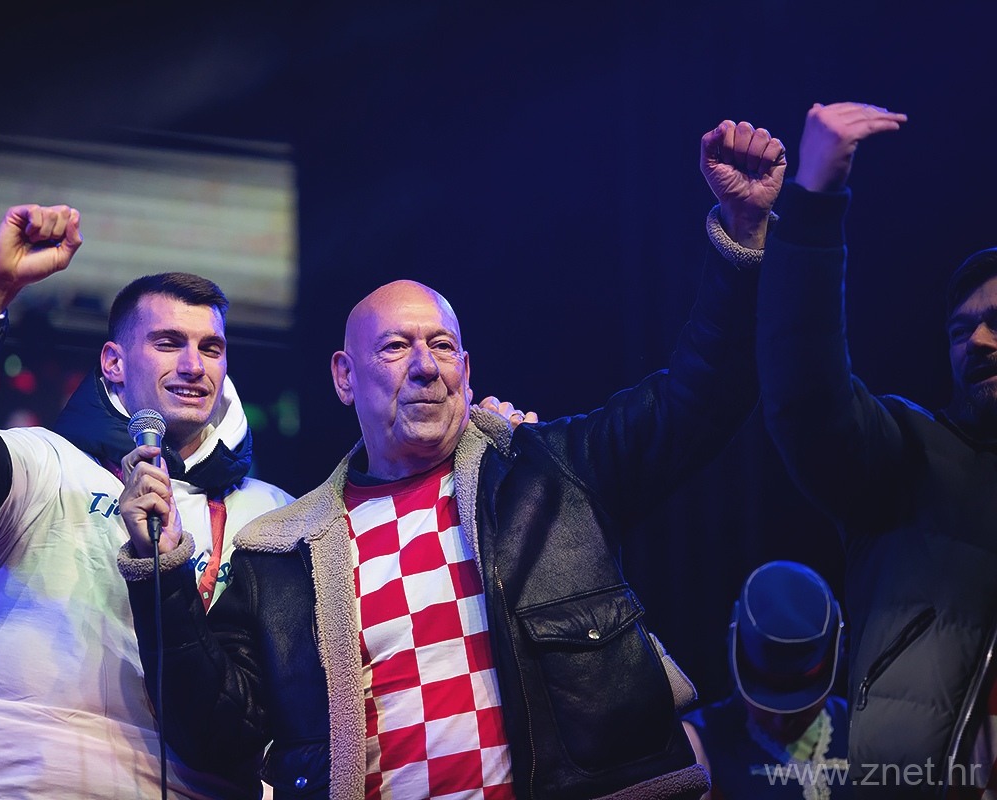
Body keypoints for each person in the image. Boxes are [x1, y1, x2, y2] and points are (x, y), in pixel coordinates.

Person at [115, 118, 785, 799]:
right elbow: (215, 736)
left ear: (467, 368)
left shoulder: (550, 473)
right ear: (345, 377)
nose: (425, 366)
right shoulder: (280, 555)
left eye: (441, 346)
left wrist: (743, 235)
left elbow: (701, 398)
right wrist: (161, 574)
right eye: (395, 347)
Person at [0, 205, 295, 798]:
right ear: (113, 363)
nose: (193, 365)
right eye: (168, 343)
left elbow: (263, 716)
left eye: (211, 347)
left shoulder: (271, 516)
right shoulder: (45, 465)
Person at [756, 101, 997, 796]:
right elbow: (806, 395)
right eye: (960, 331)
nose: (978, 342)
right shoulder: (911, 456)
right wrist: (813, 203)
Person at [682, 560, 850, 798]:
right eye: (766, 703)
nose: (782, 722)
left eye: (801, 707)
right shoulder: (698, 744)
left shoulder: (863, 731)